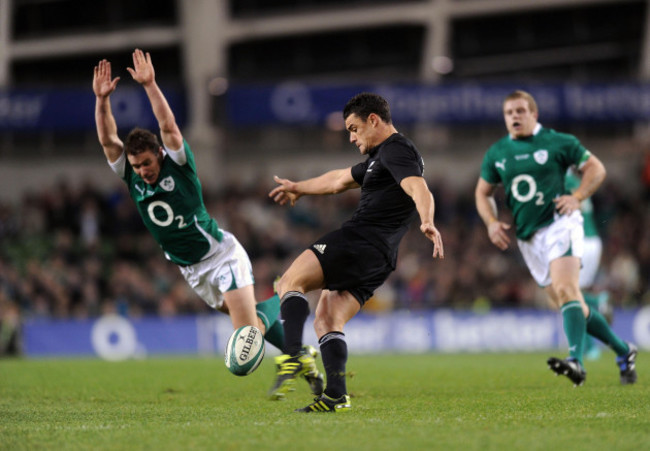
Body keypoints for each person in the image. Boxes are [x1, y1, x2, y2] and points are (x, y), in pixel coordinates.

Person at [92, 49, 324, 391]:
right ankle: (299, 352)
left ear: (158, 154)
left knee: (245, 341)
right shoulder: (133, 177)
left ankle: (288, 292)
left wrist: (151, 85)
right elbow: (107, 140)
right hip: (191, 269)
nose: (143, 171)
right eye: (137, 166)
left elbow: (168, 125)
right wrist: (101, 101)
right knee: (250, 321)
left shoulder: (179, 165)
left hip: (220, 256)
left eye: (147, 163)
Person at [268, 92, 444, 412]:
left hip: (360, 240)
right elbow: (338, 180)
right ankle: (335, 395)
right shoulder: (380, 159)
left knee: (289, 281)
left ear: (373, 120)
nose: (351, 137)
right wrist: (299, 187)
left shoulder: (397, 150)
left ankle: (293, 354)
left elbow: (418, 186)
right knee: (327, 318)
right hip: (379, 257)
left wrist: (428, 220)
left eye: (353, 128)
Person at [475, 90, 637, 386]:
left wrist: (576, 196)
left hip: (560, 224)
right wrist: (491, 222)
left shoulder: (558, 142)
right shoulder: (497, 153)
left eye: (521, 111)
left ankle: (576, 360)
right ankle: (624, 351)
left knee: (566, 290)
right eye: (509, 113)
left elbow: (596, 169)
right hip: (528, 238)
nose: (514, 117)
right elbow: (482, 193)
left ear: (534, 114)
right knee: (569, 302)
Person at [565, 168, 612, 360]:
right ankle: (588, 347)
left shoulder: (565, 181)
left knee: (575, 297)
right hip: (593, 241)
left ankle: (598, 302)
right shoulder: (577, 181)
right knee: (577, 294)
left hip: (581, 241)